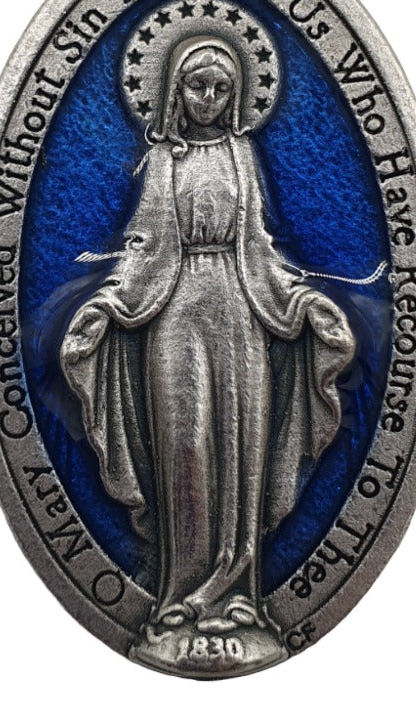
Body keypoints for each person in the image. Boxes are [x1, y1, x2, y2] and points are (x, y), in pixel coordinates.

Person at [60, 32, 355, 653]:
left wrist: (297, 299)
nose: (209, 99)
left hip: (240, 309)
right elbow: (143, 244)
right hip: (172, 310)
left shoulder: (243, 155)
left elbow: (260, 246)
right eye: (198, 86)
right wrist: (112, 301)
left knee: (238, 444)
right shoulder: (162, 161)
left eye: (222, 89)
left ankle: (238, 593)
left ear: (237, 96)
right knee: (185, 445)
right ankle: (177, 595)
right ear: (176, 90)